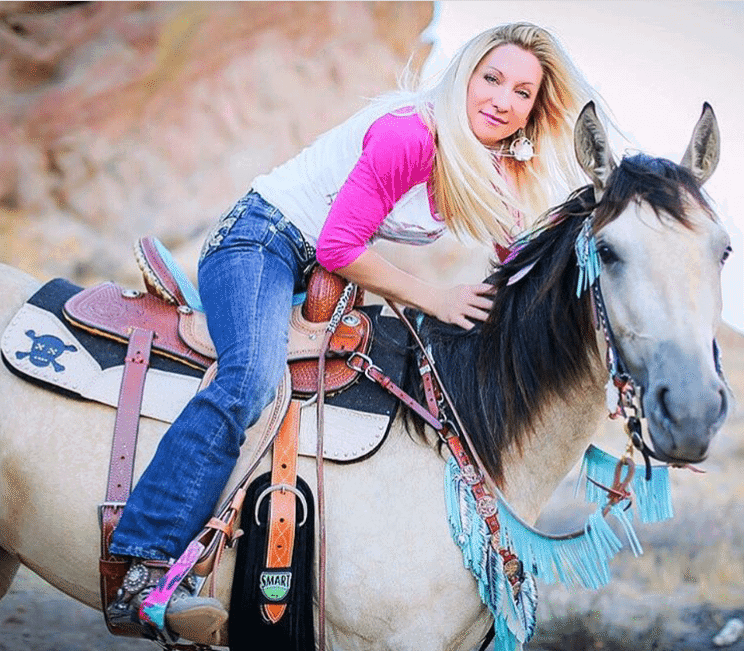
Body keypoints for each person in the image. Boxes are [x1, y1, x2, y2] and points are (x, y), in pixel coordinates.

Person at [107, 22, 606, 644]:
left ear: (534, 110)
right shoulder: (409, 135)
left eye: (522, 93)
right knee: (250, 378)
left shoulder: (493, 168)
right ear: (464, 76)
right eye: (492, 79)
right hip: (262, 241)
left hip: (317, 271)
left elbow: (521, 270)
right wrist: (435, 298)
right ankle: (142, 562)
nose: (502, 100)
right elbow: (340, 246)